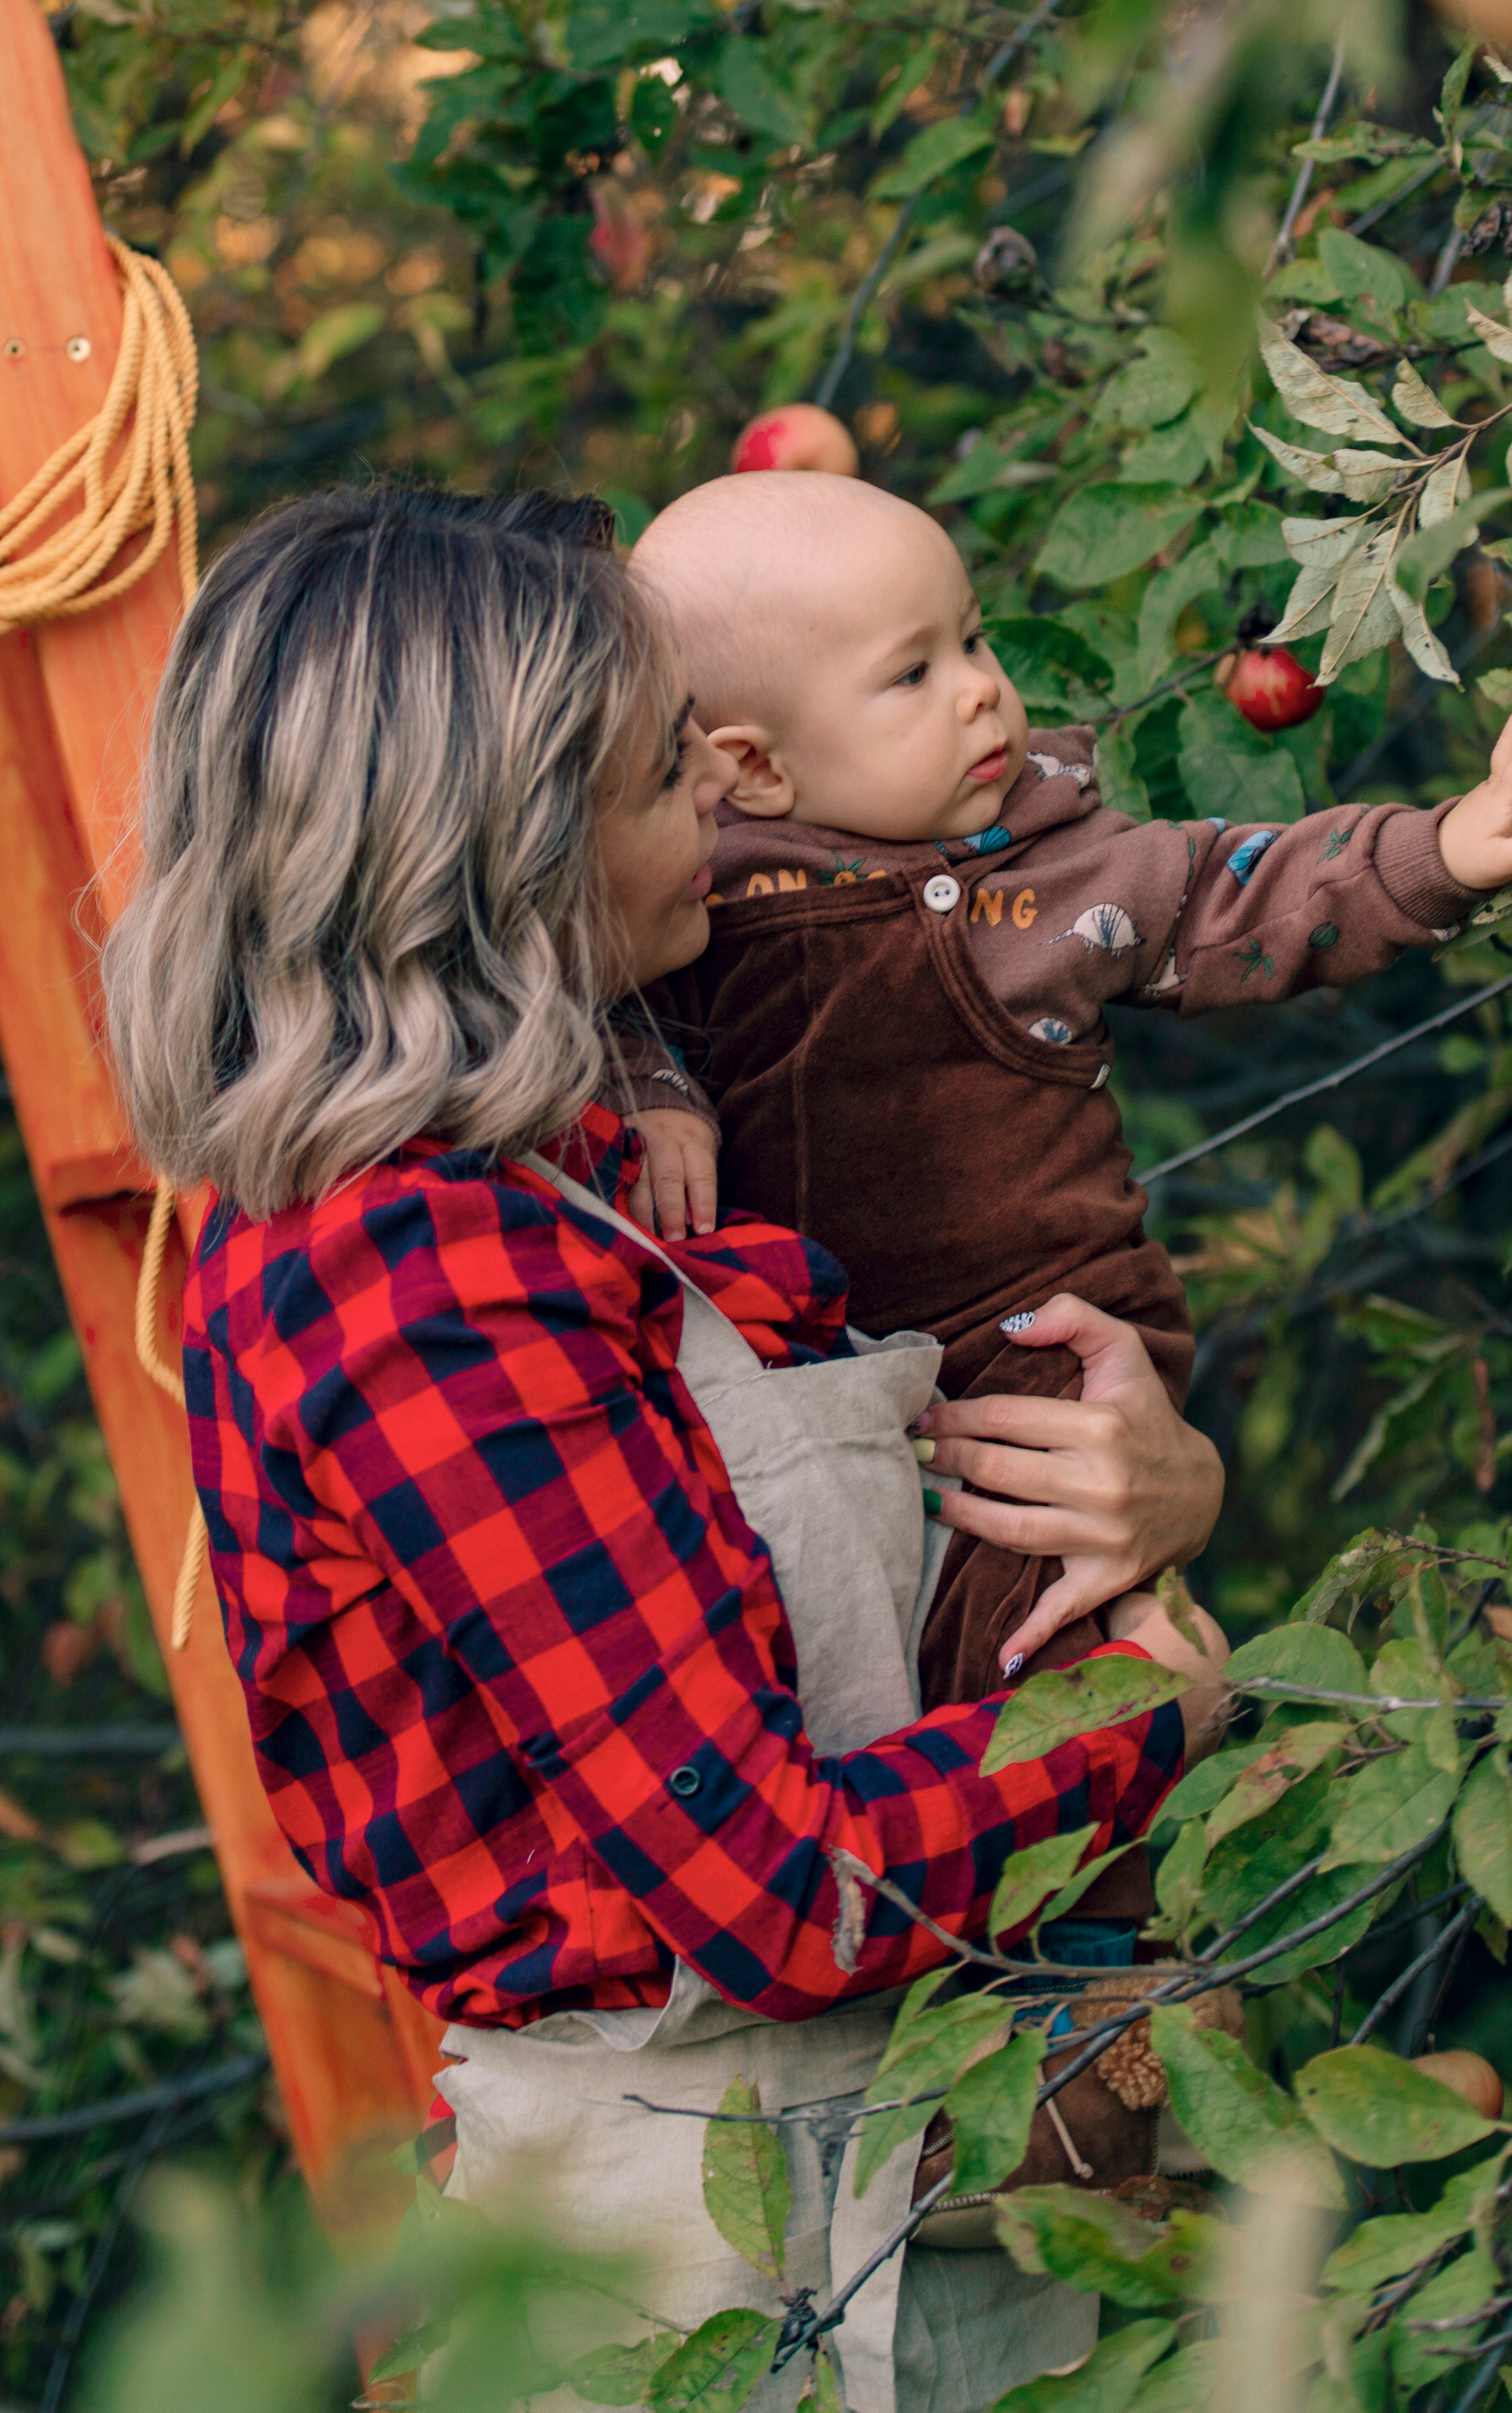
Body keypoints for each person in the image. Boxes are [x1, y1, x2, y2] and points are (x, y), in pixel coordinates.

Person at [99, 483, 1228, 2413]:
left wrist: (1158, 1488)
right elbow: (771, 1894)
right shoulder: (411, 1292)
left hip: (916, 2153)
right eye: (652, 778)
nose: (717, 805)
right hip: (694, 2252)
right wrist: (1148, 1714)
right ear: (506, 854)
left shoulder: (608, 1187)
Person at [627, 472, 1512, 1708]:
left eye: (969, 639)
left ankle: (1086, 1889)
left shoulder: (1045, 877)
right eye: (912, 675)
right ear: (751, 768)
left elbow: (1243, 887)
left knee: (1042, 1630)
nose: (981, 688)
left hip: (1041, 1349)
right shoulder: (687, 900)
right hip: (835, 1372)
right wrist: (653, 1087)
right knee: (848, 1633)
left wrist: (1439, 854)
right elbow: (600, 1002)